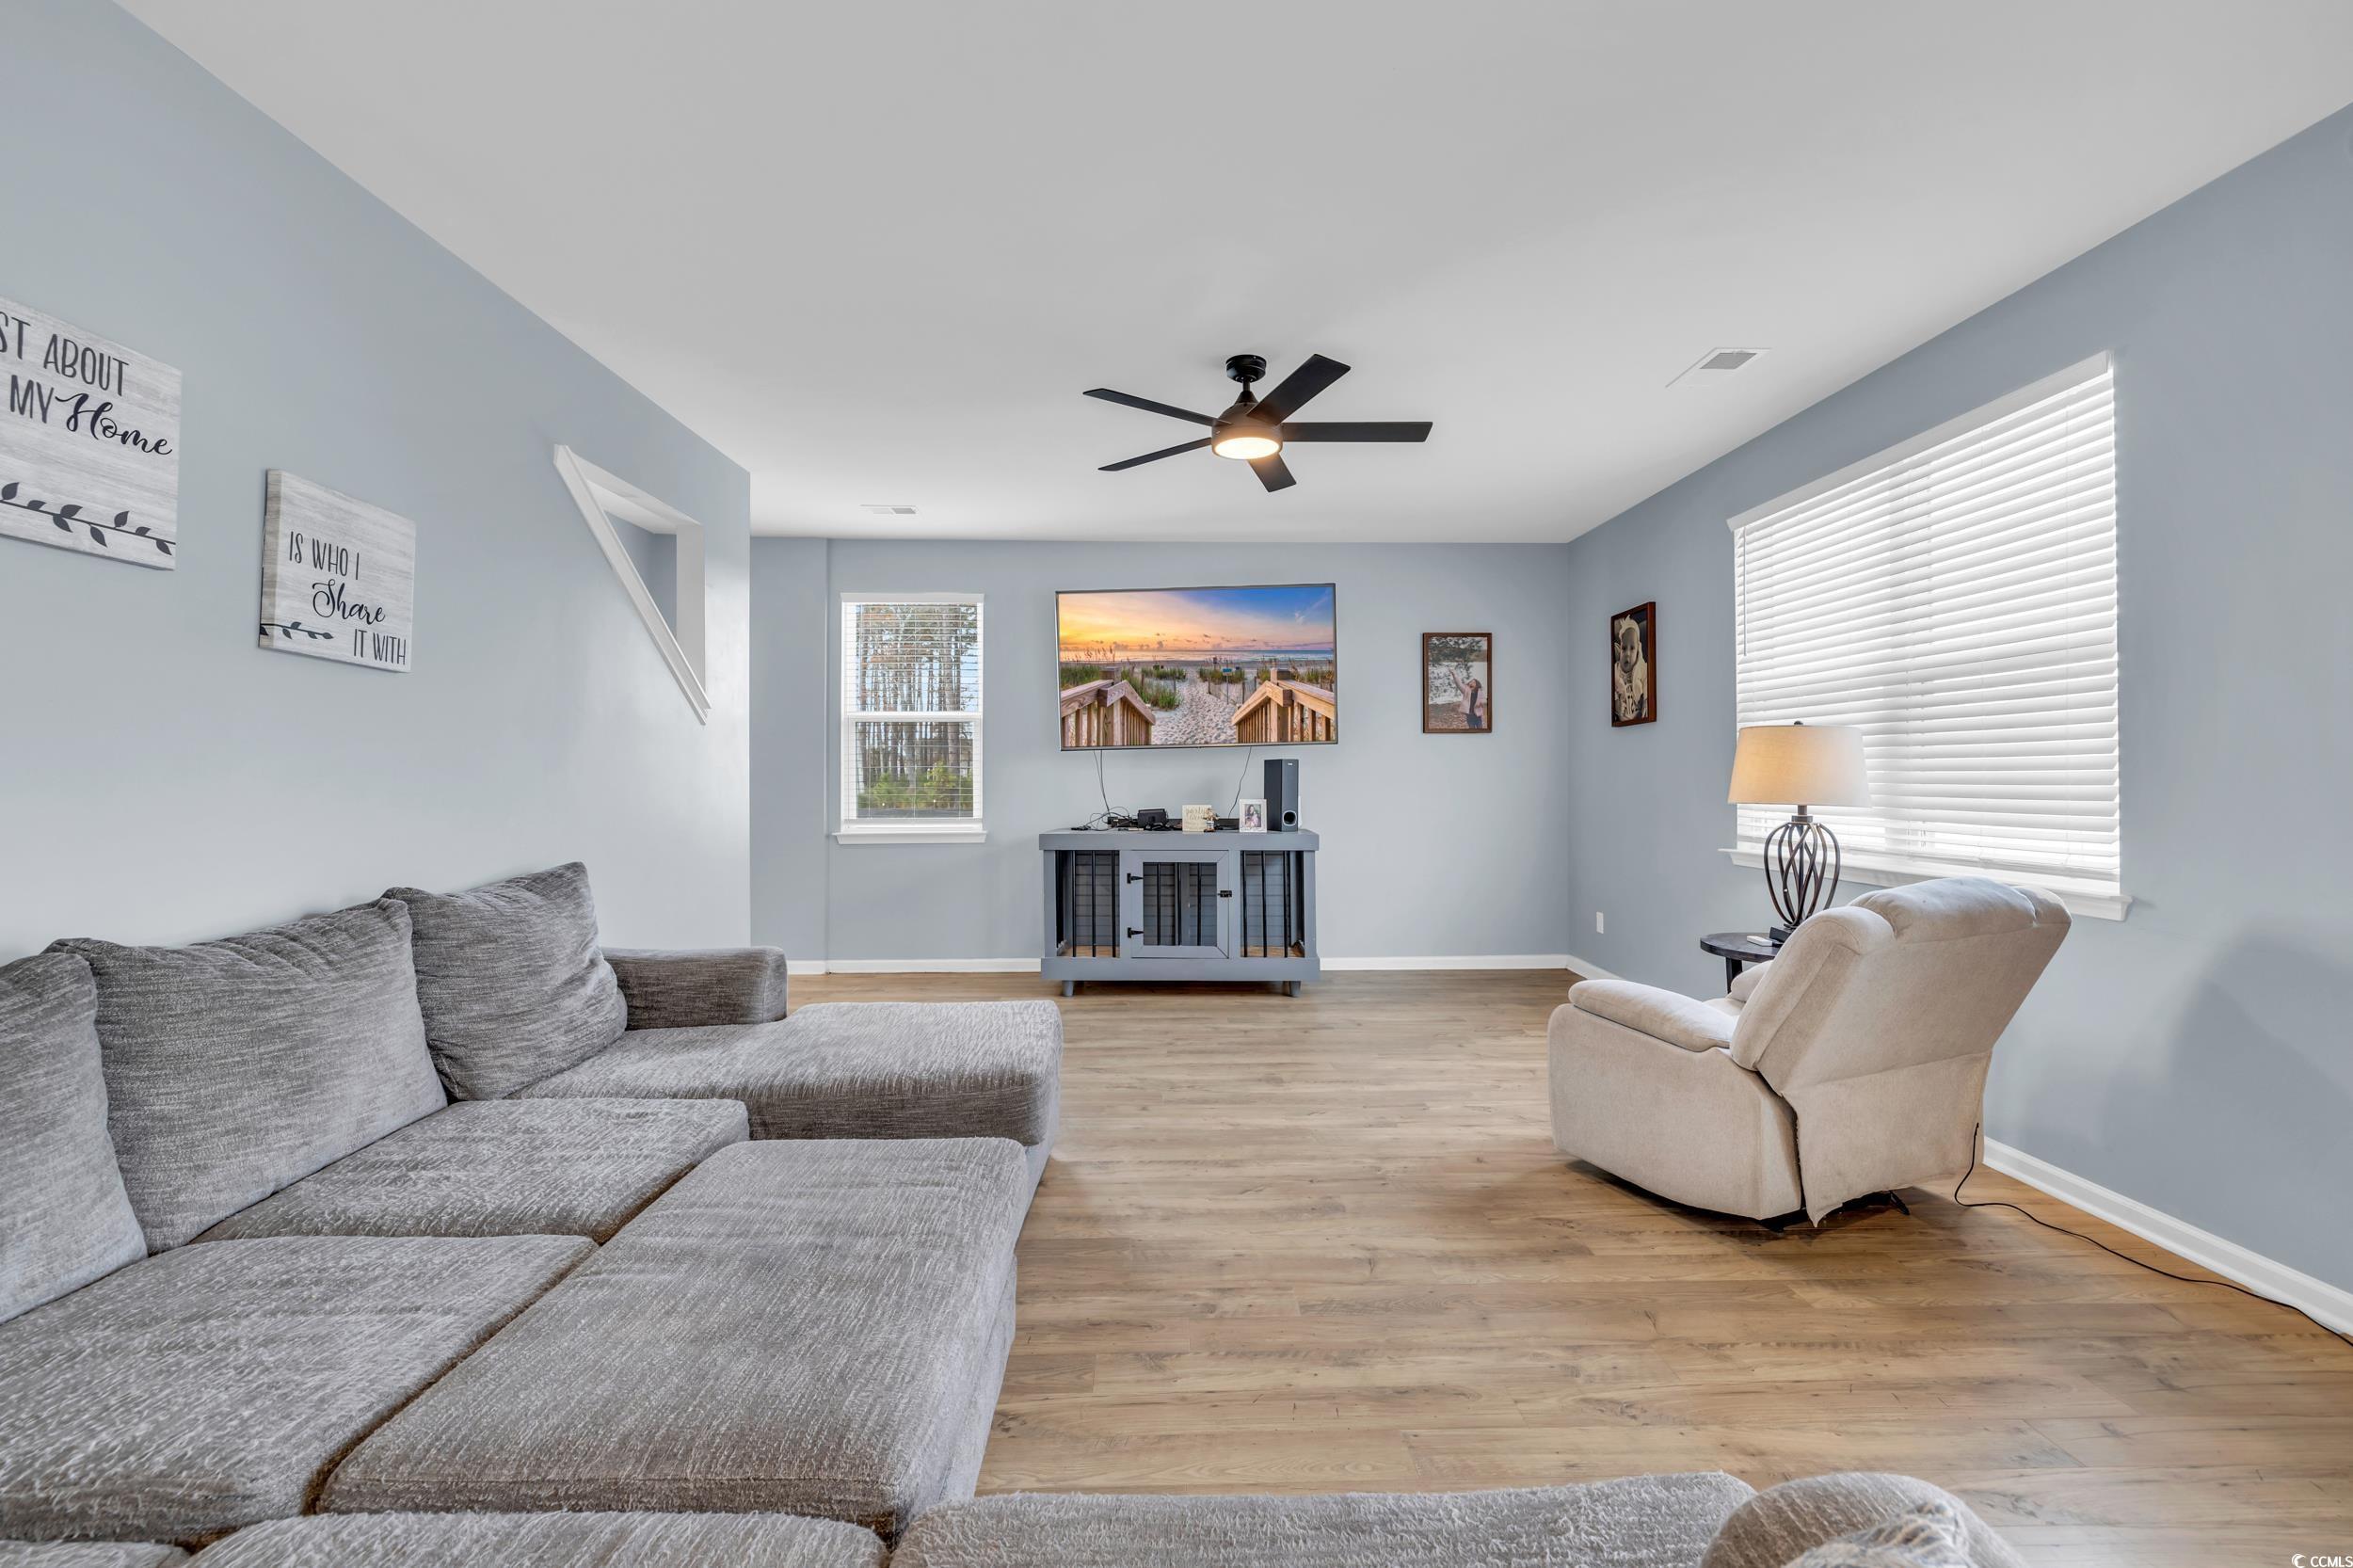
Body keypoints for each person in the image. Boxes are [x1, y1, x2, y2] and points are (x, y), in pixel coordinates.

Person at [1613, 617, 1650, 722]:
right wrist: (1616, 703)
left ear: (1638, 650)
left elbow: (1648, 680)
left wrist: (1647, 699)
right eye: (1624, 648)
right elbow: (1612, 686)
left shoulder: (1641, 667)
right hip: (1622, 717)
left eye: (1632, 648)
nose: (1627, 654)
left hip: (1638, 715)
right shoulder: (1616, 669)